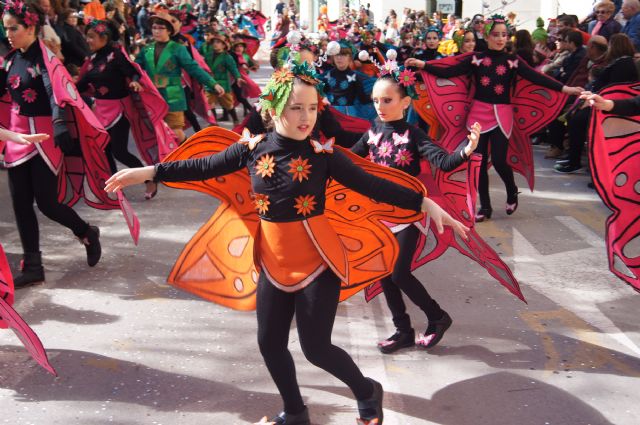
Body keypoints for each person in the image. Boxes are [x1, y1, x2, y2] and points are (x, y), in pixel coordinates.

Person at [105, 59, 469, 425]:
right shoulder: (252, 149)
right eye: (296, 108)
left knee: (316, 348)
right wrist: (150, 171)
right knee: (270, 344)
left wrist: (424, 203)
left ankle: (365, 390)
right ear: (274, 108)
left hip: (317, 262)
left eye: (312, 108)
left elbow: (374, 185)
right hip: (273, 264)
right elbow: (204, 166)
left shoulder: (323, 157)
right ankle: (295, 412)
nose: (306, 116)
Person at [350, 61, 481, 353]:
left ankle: (437, 317)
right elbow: (349, 161)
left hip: (409, 214)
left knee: (398, 273)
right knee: (384, 273)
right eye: (375, 101)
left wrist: (467, 149)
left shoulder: (413, 135)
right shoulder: (372, 131)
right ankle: (403, 331)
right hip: (380, 215)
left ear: (405, 102)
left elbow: (444, 162)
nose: (380, 106)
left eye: (387, 100)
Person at [406, 15, 582, 221]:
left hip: (502, 116)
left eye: (504, 35)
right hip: (478, 115)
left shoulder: (512, 61)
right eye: (496, 35)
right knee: (478, 162)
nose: (500, 39)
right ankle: (485, 207)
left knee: (499, 160)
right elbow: (451, 72)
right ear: (487, 36)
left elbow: (537, 77)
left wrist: (565, 88)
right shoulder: (476, 59)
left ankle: (512, 190)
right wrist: (424, 65)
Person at [1, 0, 109, 288]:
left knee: (47, 203)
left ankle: (86, 231)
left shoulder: (45, 58)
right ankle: (33, 265)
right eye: (6, 29)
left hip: (46, 137)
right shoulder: (10, 59)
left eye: (14, 28)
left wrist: (60, 122)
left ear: (31, 27)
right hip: (16, 136)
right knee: (20, 203)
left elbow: (55, 91)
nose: (9, 34)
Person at [76, 19, 165, 198]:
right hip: (100, 111)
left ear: (104, 37)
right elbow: (81, 84)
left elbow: (131, 71)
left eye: (92, 37)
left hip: (119, 110)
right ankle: (114, 185)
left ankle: (149, 178)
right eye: (88, 37)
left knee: (119, 150)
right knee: (104, 149)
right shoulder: (92, 60)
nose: (89, 41)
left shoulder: (116, 55)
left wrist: (133, 81)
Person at [135, 12, 224, 143]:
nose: (156, 31)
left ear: (169, 31)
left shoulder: (178, 49)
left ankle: (188, 155)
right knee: (159, 133)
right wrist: (135, 80)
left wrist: (213, 83)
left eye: (161, 28)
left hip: (173, 96)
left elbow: (193, 68)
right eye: (154, 28)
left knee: (176, 132)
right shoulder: (147, 49)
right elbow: (137, 68)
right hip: (153, 97)